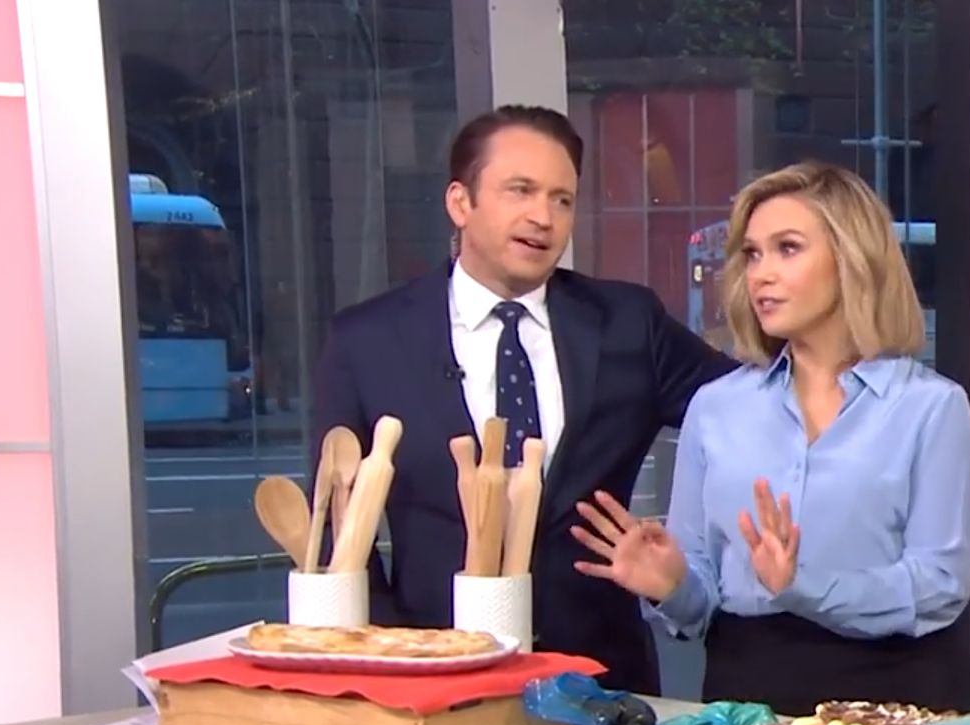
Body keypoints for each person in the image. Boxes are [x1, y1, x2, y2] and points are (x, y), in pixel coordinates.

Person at [309, 105, 735, 693]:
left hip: (602, 684)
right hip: (431, 682)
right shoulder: (368, 340)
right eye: (521, 191)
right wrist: (392, 660)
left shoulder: (627, 323)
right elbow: (335, 525)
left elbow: (750, 412)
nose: (543, 217)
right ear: (460, 202)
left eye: (562, 199)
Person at [570, 162, 970, 716]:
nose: (760, 274)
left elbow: (938, 586)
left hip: (902, 693)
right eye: (752, 254)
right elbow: (702, 599)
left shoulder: (931, 408)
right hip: (750, 688)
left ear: (851, 258)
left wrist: (801, 584)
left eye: (787, 249)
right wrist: (670, 586)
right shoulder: (715, 408)